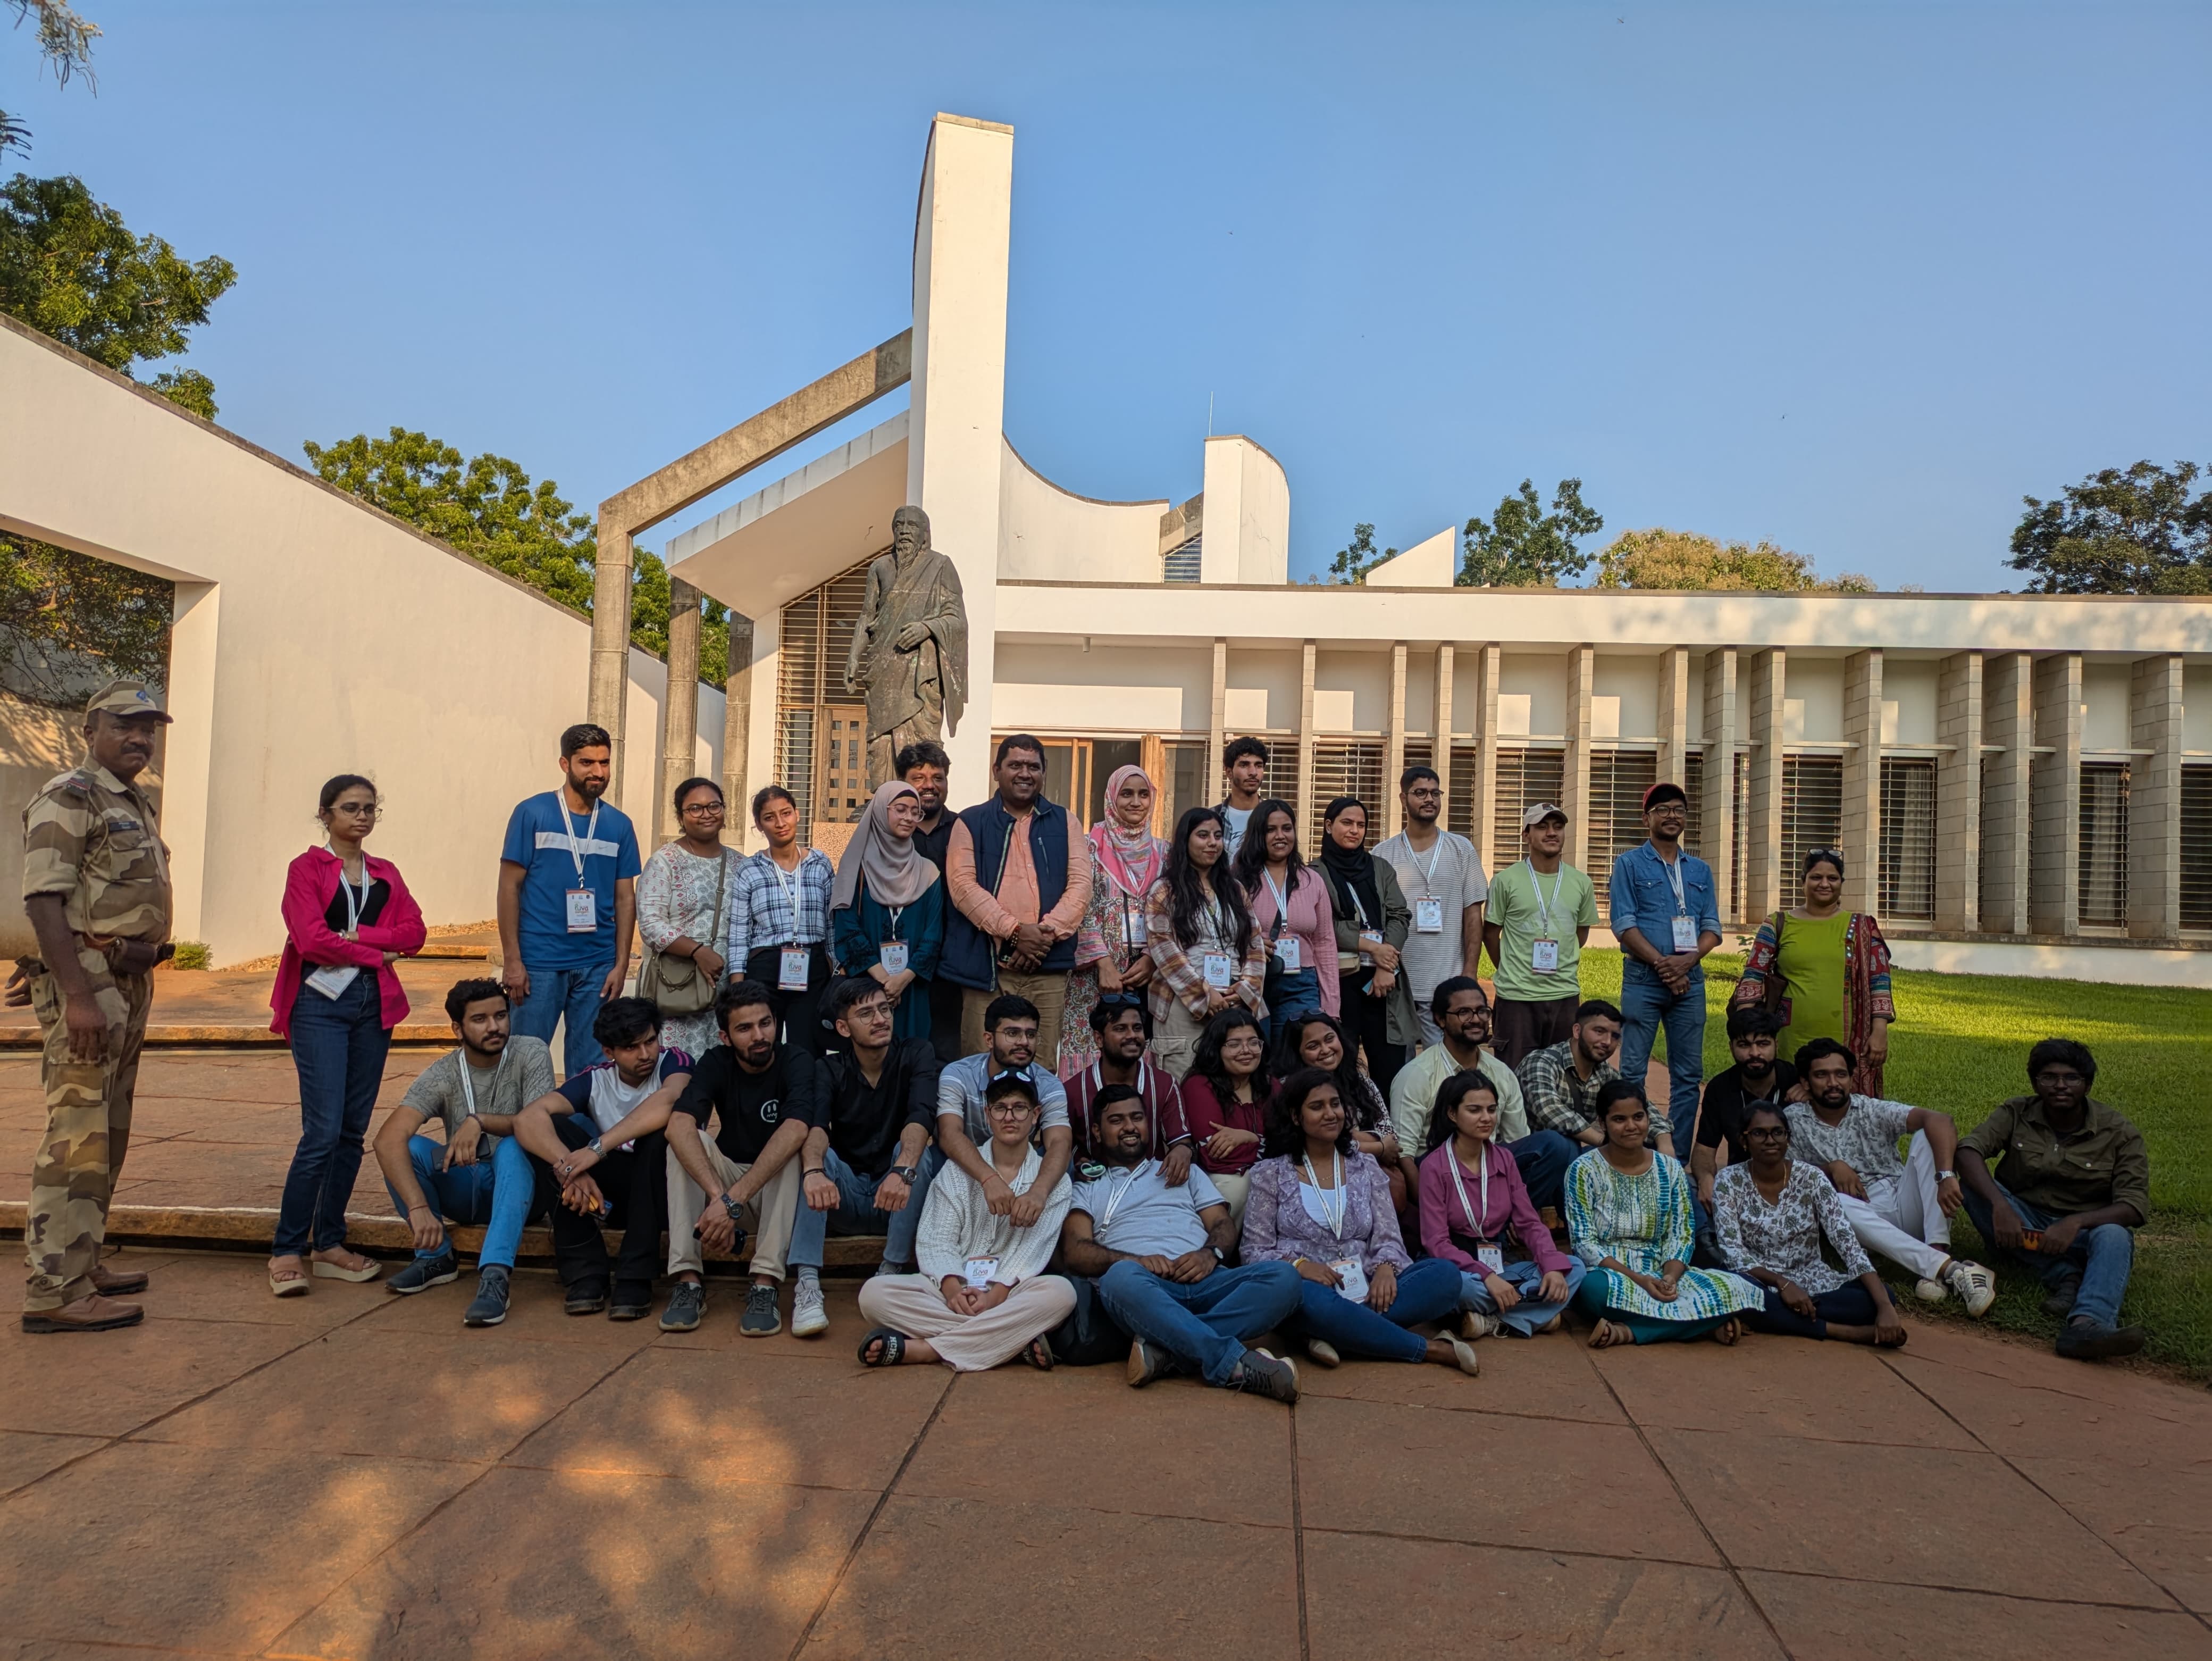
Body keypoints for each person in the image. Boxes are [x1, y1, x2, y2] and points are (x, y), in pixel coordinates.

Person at [13, 679, 175, 1333]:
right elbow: (43, 899)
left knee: (107, 1131)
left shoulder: (131, 800)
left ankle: (81, 1261)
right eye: (124, 725)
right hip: (91, 984)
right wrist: (76, 993)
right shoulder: (69, 796)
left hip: (126, 982)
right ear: (90, 730)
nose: (139, 738)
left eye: (148, 728)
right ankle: (54, 1291)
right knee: (76, 1135)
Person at [269, 774, 428, 1296]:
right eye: (349, 808)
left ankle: (329, 1244)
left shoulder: (384, 872)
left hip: (370, 1003)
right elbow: (309, 940)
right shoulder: (306, 868)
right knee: (321, 1132)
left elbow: (415, 934)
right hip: (320, 1003)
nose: (361, 817)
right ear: (326, 814)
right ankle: (287, 1249)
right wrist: (372, 953)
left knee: (350, 1133)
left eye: (369, 809)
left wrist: (359, 936)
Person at [1057, 1084, 1303, 1402]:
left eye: (1137, 1118)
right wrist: (1136, 1261)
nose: (1130, 1127)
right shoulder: (1088, 1186)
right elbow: (1075, 1252)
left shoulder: (1186, 1172)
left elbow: (1221, 1224)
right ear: (1097, 1131)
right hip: (1145, 1289)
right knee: (1119, 1278)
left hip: (1207, 1281)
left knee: (1285, 1278)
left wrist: (1209, 1254)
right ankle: (1229, 1361)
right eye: (1116, 1121)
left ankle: (1170, 1351)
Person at [1243, 1068, 1477, 1373]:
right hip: (1311, 1290)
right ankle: (1428, 1349)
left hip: (1368, 1287)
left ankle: (1333, 1335)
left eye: (1335, 1104)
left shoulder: (1365, 1165)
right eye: (1317, 1107)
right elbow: (1253, 1252)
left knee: (1445, 1275)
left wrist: (1385, 1268)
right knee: (1307, 1301)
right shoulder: (1270, 1174)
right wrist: (1300, 1268)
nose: (1331, 1114)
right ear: (1296, 1116)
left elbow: (1389, 1236)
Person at [857, 1072, 1076, 1370]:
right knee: (873, 1295)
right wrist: (952, 1288)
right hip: (953, 1290)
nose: (1009, 1117)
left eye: (1019, 1107)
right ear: (988, 1115)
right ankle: (1011, 1341)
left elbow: (1033, 1251)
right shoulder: (957, 1171)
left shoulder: (1053, 1183)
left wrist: (995, 1296)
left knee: (1061, 1294)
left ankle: (926, 1349)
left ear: (1036, 1115)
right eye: (1000, 1108)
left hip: (1010, 1293)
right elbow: (936, 1239)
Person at [370, 978, 552, 1328]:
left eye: (501, 1015)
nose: (495, 1027)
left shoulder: (530, 1052)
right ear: (458, 1028)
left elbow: (540, 1124)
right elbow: (386, 1139)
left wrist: (480, 1120)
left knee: (515, 1145)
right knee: (407, 1149)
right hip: (467, 1182)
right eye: (480, 1019)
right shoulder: (443, 1072)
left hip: (522, 1189)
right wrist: (419, 1207)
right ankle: (436, 1256)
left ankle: (495, 1275)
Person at [1956, 1039, 2149, 1360]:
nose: (2060, 1086)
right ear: (2035, 1082)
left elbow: (2133, 1206)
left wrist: (2076, 1223)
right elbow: (1968, 1151)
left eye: (2072, 1078)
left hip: (2080, 1232)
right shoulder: (2017, 1111)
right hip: (2019, 1223)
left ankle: (2087, 1325)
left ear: (2087, 1085)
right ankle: (2065, 1276)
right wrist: (2002, 1207)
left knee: (2116, 1235)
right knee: (1972, 1188)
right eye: (2049, 1077)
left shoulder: (2120, 1133)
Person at [1785, 1038, 1995, 1315]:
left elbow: (1940, 1120)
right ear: (1805, 1082)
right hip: (1859, 1215)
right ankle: (1950, 1269)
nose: (1833, 1083)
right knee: (1833, 1202)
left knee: (1927, 1136)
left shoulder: (1869, 1109)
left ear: (1851, 1078)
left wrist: (1946, 1176)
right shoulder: (1792, 1119)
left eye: (1841, 1074)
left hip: (1901, 1199)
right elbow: (1785, 1175)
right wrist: (1832, 1168)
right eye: (1821, 1075)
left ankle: (1936, 1252)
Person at [512, 997, 691, 1320]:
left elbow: (669, 1101)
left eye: (650, 1041)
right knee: (552, 1131)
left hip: (667, 1193)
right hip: (607, 1195)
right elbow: (527, 1119)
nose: (645, 1054)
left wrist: (596, 1150)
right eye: (631, 1047)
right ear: (609, 1052)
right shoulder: (596, 1078)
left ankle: (635, 1278)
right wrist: (571, 1169)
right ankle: (585, 1274)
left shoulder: (675, 1063)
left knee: (658, 1138)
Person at [660, 979, 819, 1337]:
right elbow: (678, 1125)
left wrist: (730, 1201)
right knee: (686, 1142)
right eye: (745, 1028)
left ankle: (765, 1284)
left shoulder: (796, 1059)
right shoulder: (715, 1061)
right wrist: (721, 1198)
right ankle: (688, 1281)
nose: (759, 1035)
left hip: (779, 1196)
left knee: (790, 1147)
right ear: (725, 1037)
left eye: (765, 1023)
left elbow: (796, 1128)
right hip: (729, 1190)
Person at [1565, 1080, 1764, 1347]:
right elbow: (1584, 1244)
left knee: (1739, 1286)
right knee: (1593, 1292)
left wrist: (1670, 1277)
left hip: (1663, 1271)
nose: (1631, 1127)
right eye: (1619, 1119)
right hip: (1612, 1275)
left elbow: (1681, 1235)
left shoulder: (1669, 1169)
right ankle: (1703, 1325)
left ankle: (1630, 1332)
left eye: (1638, 1117)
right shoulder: (1583, 1170)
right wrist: (1641, 1281)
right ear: (1603, 1123)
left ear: (1648, 1117)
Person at [788, 977, 942, 1307]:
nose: (880, 1020)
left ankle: (891, 1269)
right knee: (815, 1158)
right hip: (847, 1196)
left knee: (916, 1154)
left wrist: (902, 1172)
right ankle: (808, 1283)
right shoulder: (828, 1068)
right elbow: (817, 1127)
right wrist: (814, 1171)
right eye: (867, 1014)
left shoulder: (917, 1053)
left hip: (900, 1198)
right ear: (844, 1028)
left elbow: (921, 1116)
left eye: (884, 1009)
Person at [943, 733, 1093, 1067]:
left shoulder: (1066, 822)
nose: (1025, 773)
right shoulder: (970, 822)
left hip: (1047, 966)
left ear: (1044, 772)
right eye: (1015, 765)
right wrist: (1014, 933)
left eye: (1033, 766)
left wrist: (1042, 937)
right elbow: (963, 887)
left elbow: (1081, 886)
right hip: (987, 967)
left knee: (1040, 1066)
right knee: (981, 1064)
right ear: (997, 770)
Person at [498, 723, 640, 1075]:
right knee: (524, 1060)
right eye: (587, 762)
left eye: (604, 763)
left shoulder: (619, 825)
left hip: (597, 964)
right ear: (565, 764)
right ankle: (514, 1131)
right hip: (540, 962)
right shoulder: (532, 813)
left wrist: (620, 965)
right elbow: (508, 889)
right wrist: (512, 961)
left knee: (591, 1065)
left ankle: (580, 1131)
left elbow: (625, 899)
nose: (598, 772)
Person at [1714, 1104, 1907, 1346]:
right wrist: (1782, 1284)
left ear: (1788, 1138)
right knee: (1732, 1289)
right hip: (1759, 1280)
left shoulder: (1811, 1178)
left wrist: (1885, 1307)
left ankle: (1776, 1318)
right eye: (1759, 1133)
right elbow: (1732, 1251)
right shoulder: (1728, 1181)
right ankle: (1840, 1331)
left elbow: (1845, 1240)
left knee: (1883, 1296)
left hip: (1813, 1280)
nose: (1770, 1140)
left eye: (1778, 1132)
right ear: (1744, 1140)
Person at [1388, 978, 1577, 1215]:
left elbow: (1516, 1140)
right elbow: (1404, 1153)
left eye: (1482, 1011)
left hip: (1491, 1169)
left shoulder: (1501, 1073)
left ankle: (1510, 1220)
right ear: (1440, 1019)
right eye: (1464, 1013)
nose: (1476, 1019)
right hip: (1439, 1174)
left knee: (1558, 1147)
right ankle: (1476, 1226)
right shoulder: (1417, 1075)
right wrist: (1434, 1214)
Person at [1419, 1072, 1584, 1338]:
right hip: (1459, 1268)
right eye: (1474, 1110)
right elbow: (1436, 1243)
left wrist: (1552, 1265)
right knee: (1455, 1286)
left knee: (1573, 1267)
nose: (1486, 1118)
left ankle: (1492, 1320)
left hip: (1502, 1265)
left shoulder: (1504, 1159)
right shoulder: (1434, 1167)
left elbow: (1529, 1223)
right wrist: (1486, 1276)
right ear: (1452, 1114)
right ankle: (1534, 1314)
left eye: (1491, 1110)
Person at [1608, 781, 1721, 1158]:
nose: (1672, 816)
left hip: (1691, 980)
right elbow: (1623, 923)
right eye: (1663, 810)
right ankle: (1633, 1152)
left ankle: (1678, 1158)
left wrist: (1687, 962)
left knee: (1688, 1076)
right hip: (1644, 980)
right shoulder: (1628, 864)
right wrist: (1663, 964)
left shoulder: (1701, 870)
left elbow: (1713, 928)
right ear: (1647, 819)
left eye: (1678, 809)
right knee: (1632, 1073)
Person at [1732, 847, 1896, 1097]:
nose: (1824, 884)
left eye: (1833, 878)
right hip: (1790, 1035)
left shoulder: (1862, 927)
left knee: (1839, 1106)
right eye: (1816, 877)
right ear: (1803, 881)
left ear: (1842, 883)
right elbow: (1753, 974)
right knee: (1788, 1104)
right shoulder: (1778, 923)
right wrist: (1747, 1030)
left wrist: (1880, 1031)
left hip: (1849, 1039)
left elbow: (1879, 980)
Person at [933, 995, 1076, 1234]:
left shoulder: (1048, 1084)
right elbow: (949, 1134)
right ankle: (906, 1253)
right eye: (1012, 1033)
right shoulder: (958, 1074)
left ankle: (1051, 1252)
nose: (1024, 1042)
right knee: (927, 1159)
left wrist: (1039, 1191)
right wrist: (989, 1178)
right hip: (964, 1169)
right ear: (989, 1039)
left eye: (1031, 1035)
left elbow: (1060, 1141)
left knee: (1063, 1163)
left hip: (1020, 1169)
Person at [1060, 763, 1168, 1074]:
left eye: (1144, 794)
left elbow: (1173, 914)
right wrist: (1103, 962)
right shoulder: (1087, 848)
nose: (1136, 802)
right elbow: (1078, 906)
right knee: (1091, 1050)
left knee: (1135, 1050)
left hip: (1148, 976)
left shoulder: (1166, 854)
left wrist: (1152, 958)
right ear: (1111, 799)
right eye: (1127, 794)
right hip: (1093, 978)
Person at [1142, 806, 1266, 1077]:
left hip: (1235, 1001)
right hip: (1182, 1003)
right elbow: (1164, 951)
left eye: (1218, 836)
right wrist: (1204, 993)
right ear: (1186, 841)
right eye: (1203, 835)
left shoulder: (1235, 890)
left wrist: (1245, 990)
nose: (1212, 843)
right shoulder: (1164, 890)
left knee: (1235, 1085)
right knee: (1183, 1086)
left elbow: (1254, 945)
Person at [1373, 765, 1487, 1047]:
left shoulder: (1461, 849)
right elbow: (1377, 920)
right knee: (1403, 1070)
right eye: (1420, 793)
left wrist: (1470, 972)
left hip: (1447, 985)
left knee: (1447, 1068)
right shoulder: (1382, 853)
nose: (1429, 799)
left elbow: (1473, 915)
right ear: (1403, 799)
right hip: (1400, 984)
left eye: (1435, 793)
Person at [829, 780, 946, 1043]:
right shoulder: (856, 869)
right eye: (901, 809)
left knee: (911, 1058)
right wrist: (884, 980)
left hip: (912, 989)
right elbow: (847, 928)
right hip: (866, 988)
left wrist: (902, 980)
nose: (909, 818)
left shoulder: (929, 872)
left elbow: (933, 934)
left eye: (915, 812)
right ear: (882, 811)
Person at [1313, 795, 1414, 1097]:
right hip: (1340, 981)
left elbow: (1400, 915)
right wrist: (1372, 947)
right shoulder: (1313, 873)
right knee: (1340, 1066)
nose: (1355, 830)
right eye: (1347, 823)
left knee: (1390, 1068)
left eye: (1361, 825)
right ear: (1329, 826)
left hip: (1382, 983)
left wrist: (1386, 964)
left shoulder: (1380, 868)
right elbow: (1323, 926)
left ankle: (1391, 1137)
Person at [1484, 802, 1599, 1067]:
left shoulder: (1582, 883)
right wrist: (1512, 968)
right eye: (1542, 827)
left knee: (1563, 1075)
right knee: (1514, 1075)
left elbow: (1580, 933)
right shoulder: (1505, 880)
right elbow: (1490, 934)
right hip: (1517, 998)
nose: (1551, 833)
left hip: (1564, 995)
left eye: (1558, 827)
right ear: (1526, 835)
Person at [634, 776, 741, 1059]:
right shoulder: (664, 861)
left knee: (721, 1072)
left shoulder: (741, 864)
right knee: (675, 1073)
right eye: (695, 808)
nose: (705, 814)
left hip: (725, 987)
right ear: (681, 817)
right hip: (676, 985)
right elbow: (650, 924)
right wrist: (698, 952)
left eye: (713, 806)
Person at [726, 786, 836, 1055]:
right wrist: (738, 987)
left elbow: (832, 923)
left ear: (797, 814)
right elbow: (740, 931)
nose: (780, 823)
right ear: (759, 825)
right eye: (769, 817)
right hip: (765, 967)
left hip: (812, 966)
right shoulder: (749, 870)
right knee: (763, 1047)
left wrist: (837, 970)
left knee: (808, 1048)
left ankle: (805, 1098)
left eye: (786, 813)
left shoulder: (820, 863)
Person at [1231, 797, 1339, 1044]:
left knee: (1296, 1060)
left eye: (1287, 828)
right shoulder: (1238, 880)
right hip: (1252, 980)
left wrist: (1332, 1008)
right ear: (1259, 834)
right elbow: (1224, 933)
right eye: (1271, 830)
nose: (1280, 836)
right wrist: (1253, 942)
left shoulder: (1312, 880)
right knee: (1258, 1058)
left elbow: (1325, 944)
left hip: (1302, 983)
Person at [1273, 1012, 1402, 1212]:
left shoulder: (1360, 1082)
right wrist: (1377, 1148)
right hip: (1314, 1176)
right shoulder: (1288, 1090)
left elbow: (1392, 1140)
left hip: (1369, 1170)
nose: (1325, 1050)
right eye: (1313, 1046)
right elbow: (1317, 1146)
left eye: (1329, 1039)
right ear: (1297, 1053)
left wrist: (1353, 1138)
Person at [1065, 993, 1197, 1172]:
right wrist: (1077, 1163)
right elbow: (1059, 1146)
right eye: (1121, 1029)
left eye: (1137, 1028)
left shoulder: (1165, 1084)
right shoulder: (1072, 1091)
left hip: (1153, 1186)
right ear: (1099, 1039)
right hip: (1094, 1188)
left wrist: (1183, 1150)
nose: (1132, 1035)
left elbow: (1181, 1141)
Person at [896, 740, 966, 1064]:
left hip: (951, 964)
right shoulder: (888, 834)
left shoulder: (965, 831)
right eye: (918, 778)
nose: (929, 786)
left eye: (938, 777)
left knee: (947, 1054)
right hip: (899, 964)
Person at [1691, 1007, 1799, 1206]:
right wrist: (1705, 1178)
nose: (1755, 1053)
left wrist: (1809, 1092)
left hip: (1794, 1183)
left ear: (1776, 1045)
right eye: (1744, 1045)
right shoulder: (1720, 1088)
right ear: (1731, 1047)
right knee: (1690, 1187)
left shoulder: (1796, 1080)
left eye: (1763, 1044)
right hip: (1742, 1182)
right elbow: (1704, 1150)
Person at [1180, 1007, 1271, 1221]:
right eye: (1234, 1044)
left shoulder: (1271, 1086)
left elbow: (1291, 1141)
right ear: (1216, 1049)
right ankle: (1220, 1252)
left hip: (1271, 1173)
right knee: (1236, 1185)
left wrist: (1251, 1139)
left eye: (1253, 1042)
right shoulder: (1200, 1086)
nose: (1246, 1050)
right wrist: (1269, 1146)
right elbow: (1216, 1155)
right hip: (1217, 1179)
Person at [1516, 999, 1630, 1151]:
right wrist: (1606, 1143)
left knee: (1636, 1145)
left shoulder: (1605, 1073)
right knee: (1559, 1143)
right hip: (1522, 1155)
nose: (1607, 1042)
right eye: (1599, 1032)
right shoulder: (1541, 1062)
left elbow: (1640, 1108)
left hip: (1564, 1153)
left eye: (1615, 1036)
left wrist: (1665, 1145)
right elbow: (1550, 1111)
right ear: (1577, 1031)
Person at [1217, 735, 1270, 859]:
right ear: (1229, 772)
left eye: (1258, 765)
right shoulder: (1212, 818)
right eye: (1244, 765)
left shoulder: (1274, 818)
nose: (1253, 772)